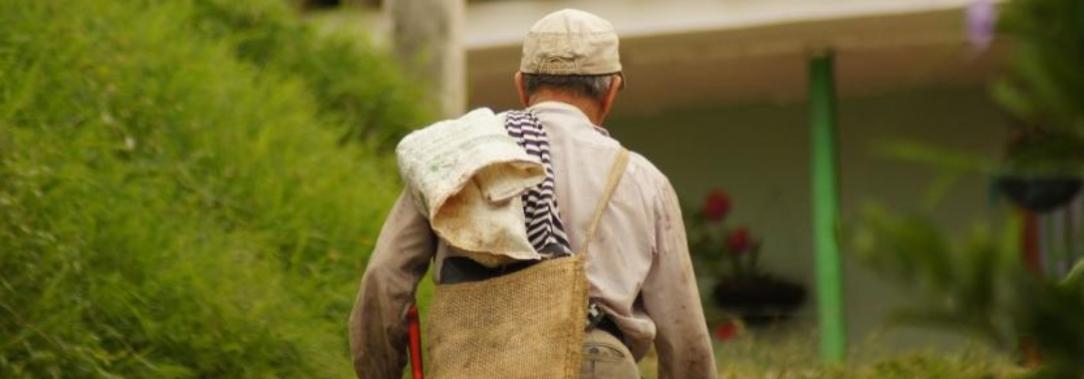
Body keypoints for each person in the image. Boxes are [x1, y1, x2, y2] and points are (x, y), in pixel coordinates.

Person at [349, 8, 717, 379]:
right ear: (611, 92)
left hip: (474, 364)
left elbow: (385, 278)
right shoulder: (644, 181)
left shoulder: (457, 159)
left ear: (522, 86)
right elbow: (686, 340)